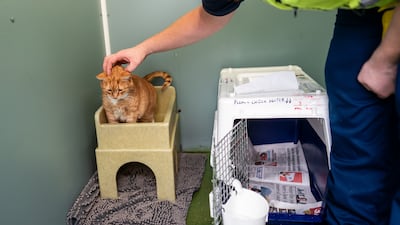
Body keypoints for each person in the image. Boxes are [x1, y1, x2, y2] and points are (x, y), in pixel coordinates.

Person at [103, 0, 400, 224]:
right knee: (357, 149)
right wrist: (144, 48)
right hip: (363, 12)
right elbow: (208, 17)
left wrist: (386, 57)